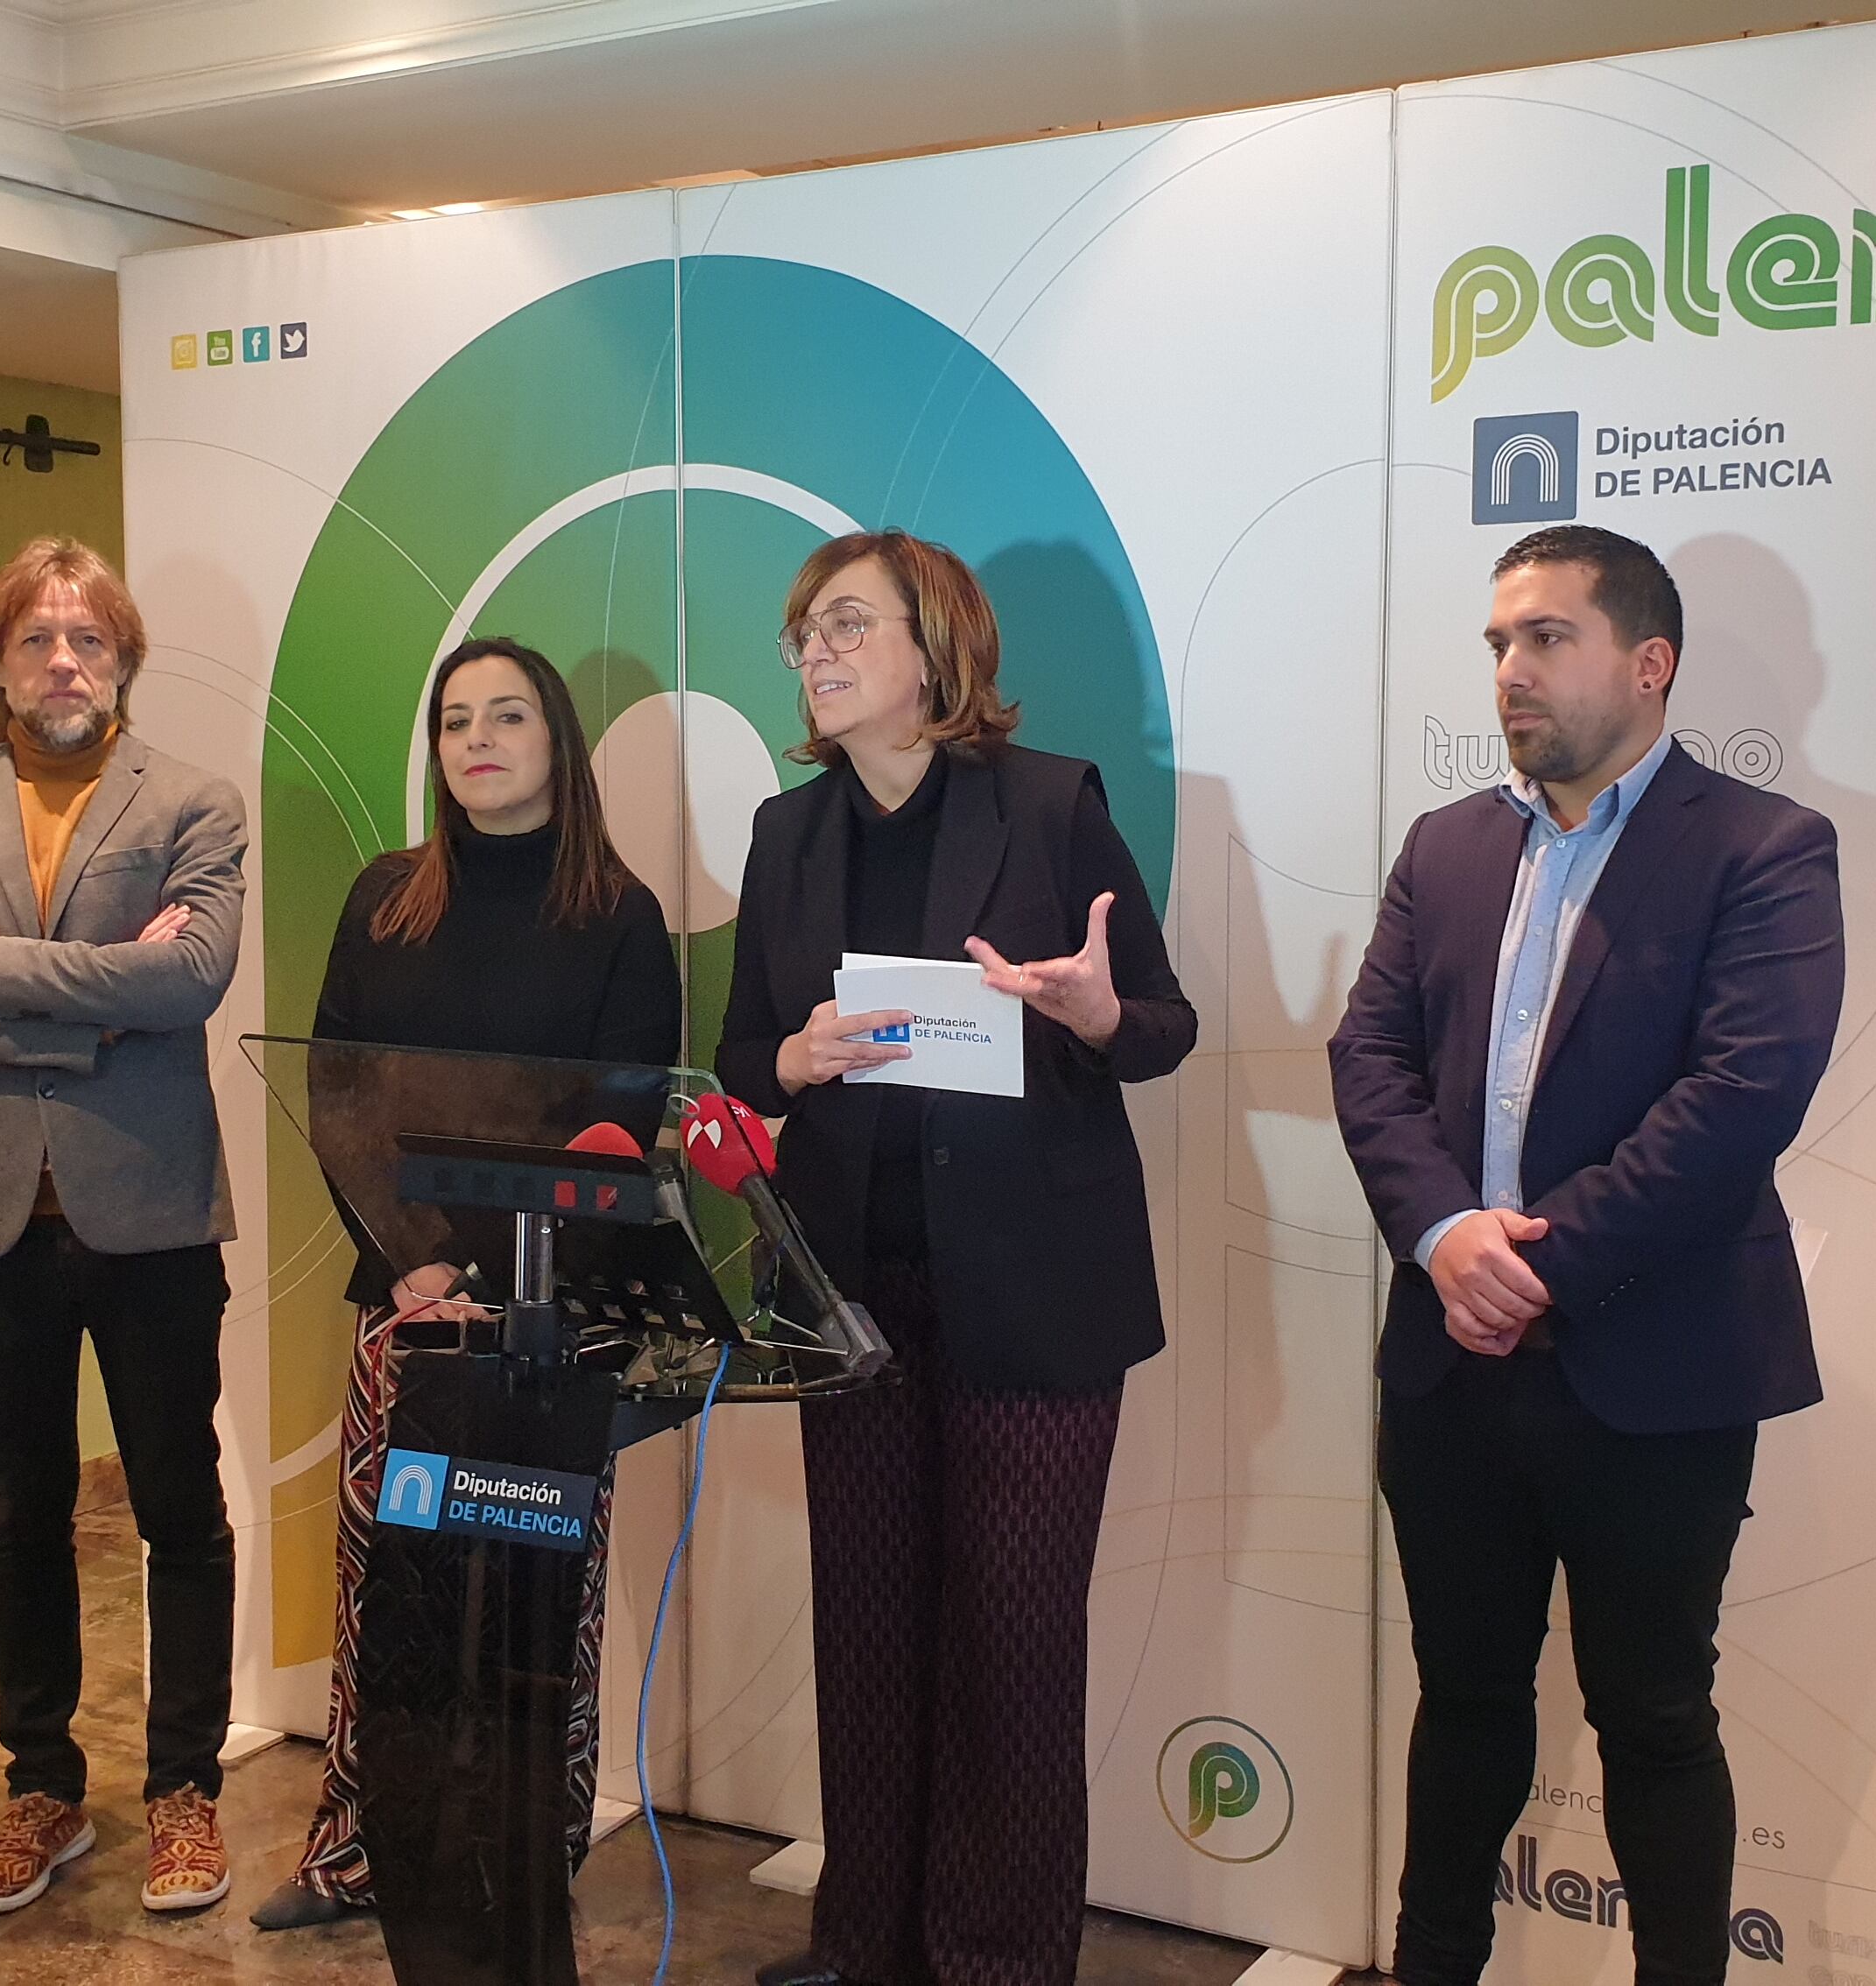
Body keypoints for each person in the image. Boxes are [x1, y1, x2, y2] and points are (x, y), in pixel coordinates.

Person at [1327, 525, 1844, 1984]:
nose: (1511, 671)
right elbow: (1367, 1057)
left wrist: (1532, 1263)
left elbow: (1745, 1097)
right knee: (1465, 1701)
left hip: (1654, 1372)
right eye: (1498, 643)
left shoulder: (1763, 851)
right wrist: (1441, 1236)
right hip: (1451, 1372)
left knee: (1658, 1716)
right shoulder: (1447, 847)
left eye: (1546, 638)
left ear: (1648, 661)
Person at [719, 530, 1195, 1986]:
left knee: (1012, 1651)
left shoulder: (1050, 809)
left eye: (849, 622)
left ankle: (995, 1959)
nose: (816, 646)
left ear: (935, 650)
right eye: (805, 625)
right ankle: (868, 1942)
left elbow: (1162, 1025)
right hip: (852, 1297)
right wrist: (788, 1059)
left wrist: (1096, 1014)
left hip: (1033, 1300)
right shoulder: (785, 834)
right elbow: (744, 1052)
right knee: (867, 1634)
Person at [253, 635, 685, 1931]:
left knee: (534, 1591)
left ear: (558, 739)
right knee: (388, 1586)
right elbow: (338, 1092)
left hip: (551, 1325)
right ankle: (359, 1844)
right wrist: (415, 1260)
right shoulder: (387, 896)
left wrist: (496, 1271)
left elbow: (619, 1114)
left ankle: (528, 1836)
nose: (478, 739)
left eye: (507, 715)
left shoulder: (619, 915)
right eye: (454, 721)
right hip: (407, 1307)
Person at [0, 535, 250, 1919]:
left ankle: (186, 1792)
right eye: (37, 640)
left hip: (149, 1217)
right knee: (19, 1515)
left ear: (126, 660)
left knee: (177, 1512)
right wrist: (95, 999)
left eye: (89, 639)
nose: (65, 663)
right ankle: (41, 1788)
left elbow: (192, 982)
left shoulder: (195, 803)